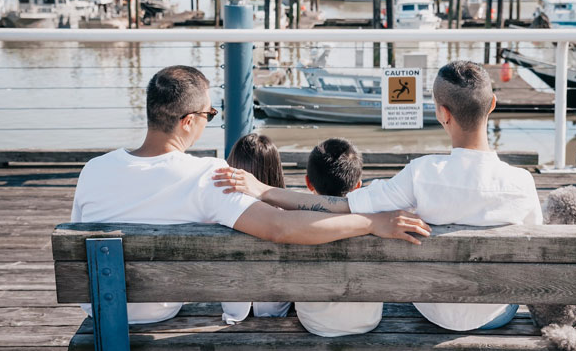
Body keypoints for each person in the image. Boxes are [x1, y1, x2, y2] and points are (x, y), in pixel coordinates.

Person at [71, 65, 430, 324]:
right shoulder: (206, 175)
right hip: (159, 311)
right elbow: (283, 229)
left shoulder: (94, 169)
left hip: (103, 309)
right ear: (187, 121)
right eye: (209, 114)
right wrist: (371, 222)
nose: (209, 120)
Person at [214, 61, 542, 332]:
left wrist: (264, 191)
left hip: (436, 310)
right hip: (495, 314)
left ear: (442, 113)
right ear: (493, 105)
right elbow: (537, 256)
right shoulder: (523, 184)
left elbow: (342, 206)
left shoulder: (421, 175)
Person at [295, 138, 383, 337]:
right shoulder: (378, 219)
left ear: (308, 182)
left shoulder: (296, 223)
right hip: (368, 320)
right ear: (358, 185)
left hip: (314, 321)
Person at [221, 133, 291, 323]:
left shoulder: (219, 214)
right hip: (275, 309)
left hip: (233, 310)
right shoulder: (288, 216)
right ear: (276, 170)